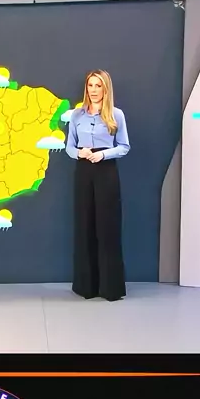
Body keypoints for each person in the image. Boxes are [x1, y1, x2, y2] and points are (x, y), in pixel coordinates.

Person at [65, 69, 130, 301]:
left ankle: (110, 288)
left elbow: (124, 146)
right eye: (90, 85)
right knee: (85, 225)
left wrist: (103, 155)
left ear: (105, 88)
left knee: (107, 227)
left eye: (98, 85)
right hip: (84, 171)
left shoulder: (116, 115)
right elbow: (69, 146)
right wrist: (79, 153)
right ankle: (87, 286)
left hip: (106, 172)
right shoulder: (77, 115)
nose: (93, 90)